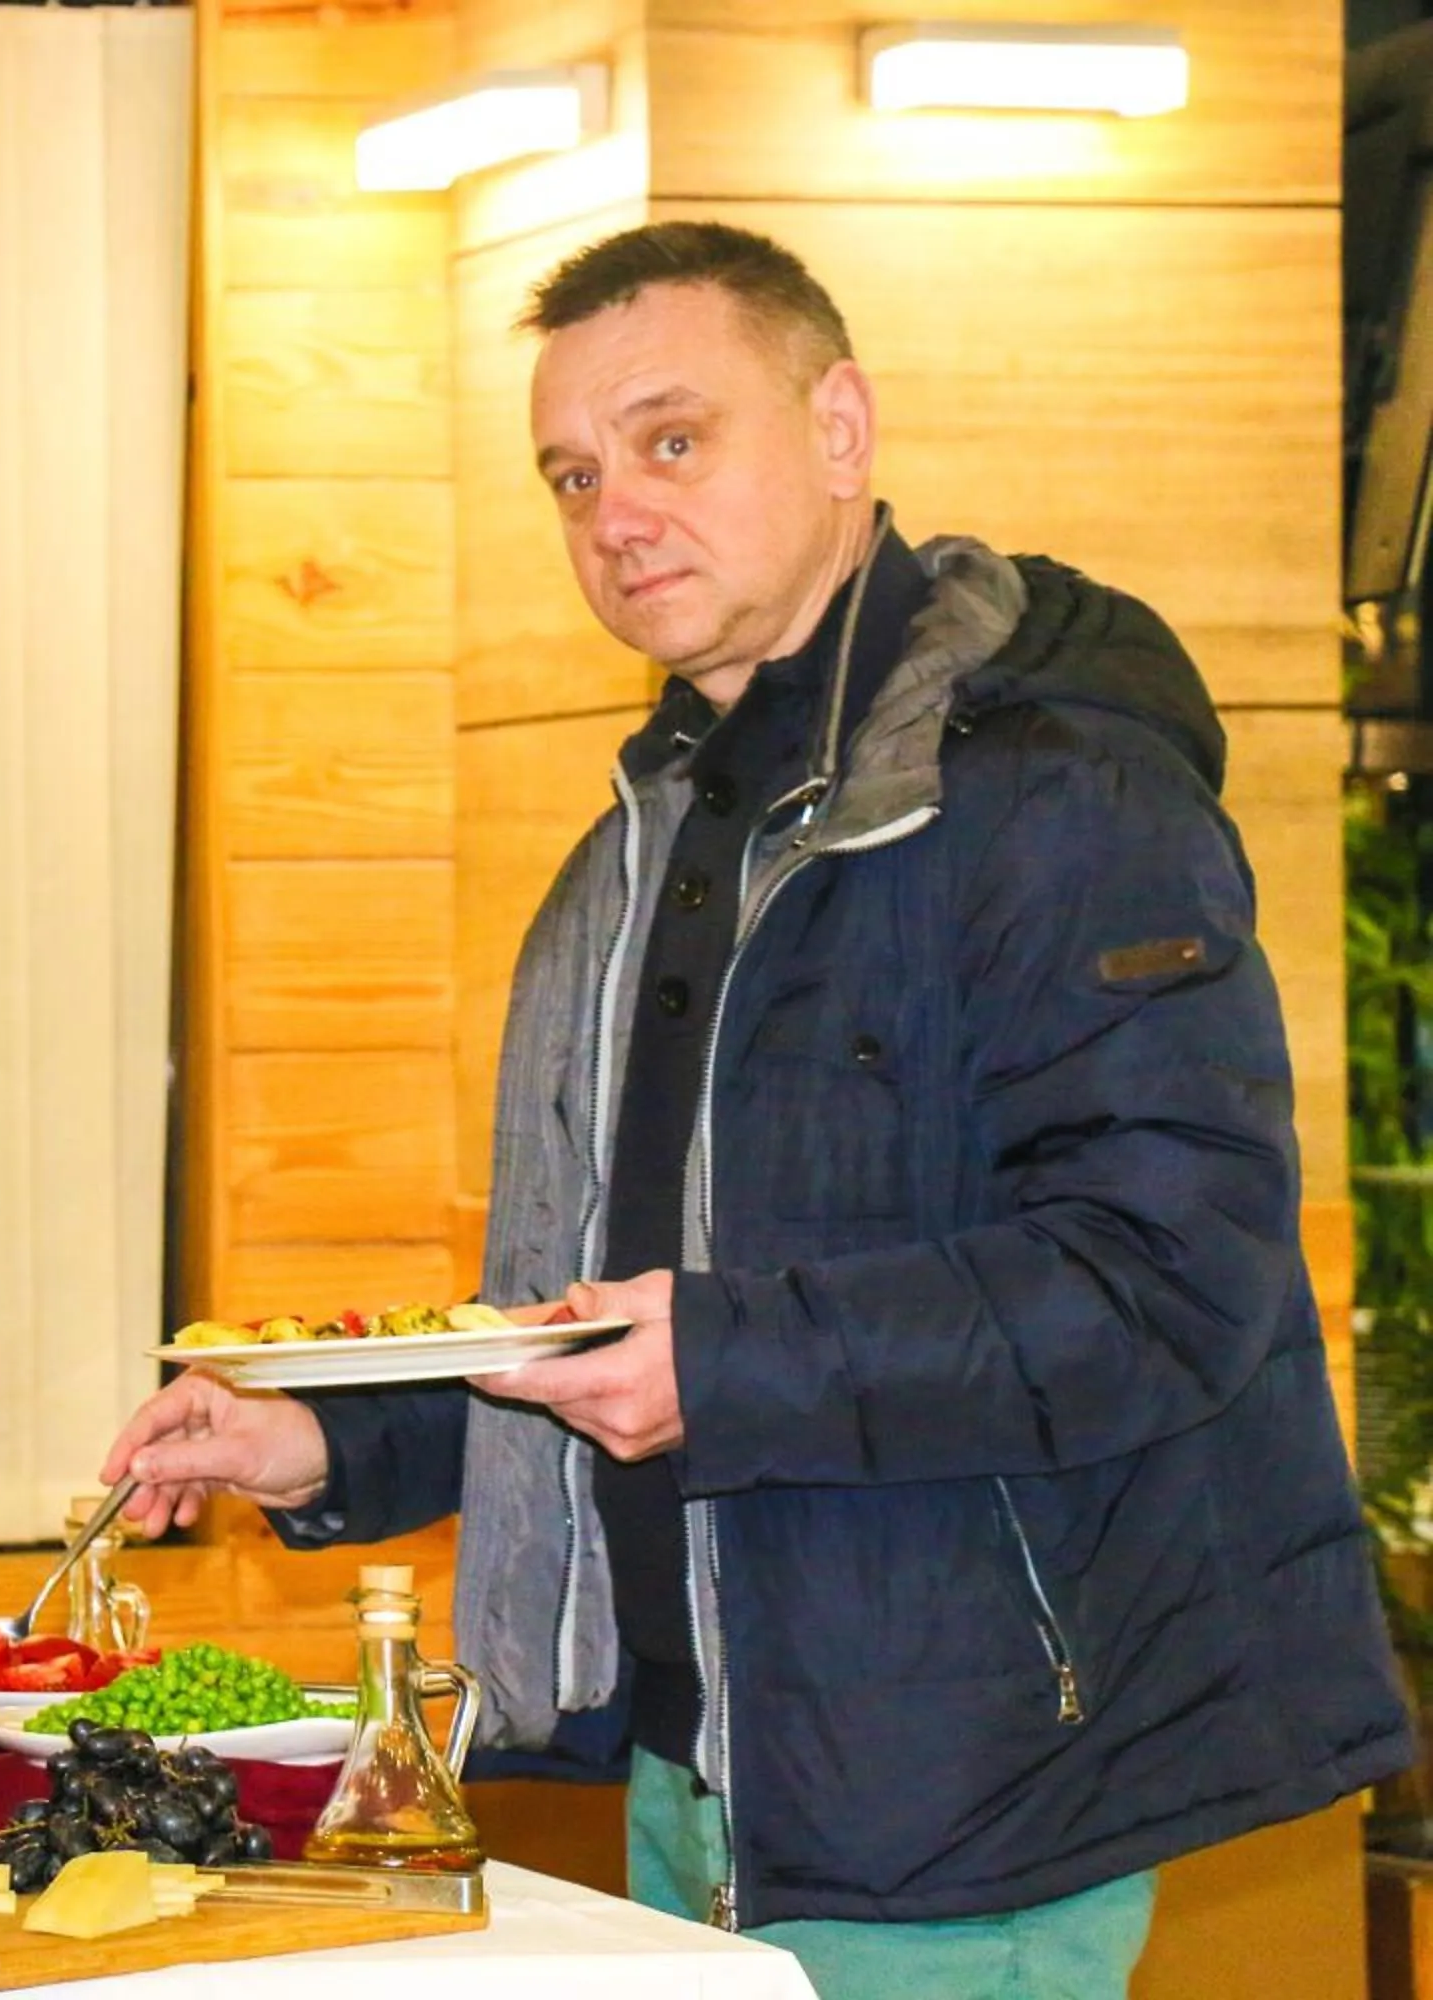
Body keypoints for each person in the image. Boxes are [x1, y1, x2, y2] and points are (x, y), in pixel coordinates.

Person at [102, 221, 1411, 1998]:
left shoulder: (1062, 802)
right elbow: (613, 1321)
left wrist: (720, 1364)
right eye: (574, 475)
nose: (616, 514)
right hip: (696, 1767)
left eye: (672, 440)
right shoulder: (644, 846)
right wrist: (335, 1441)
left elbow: (1168, 1277)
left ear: (841, 428)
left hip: (969, 1798)